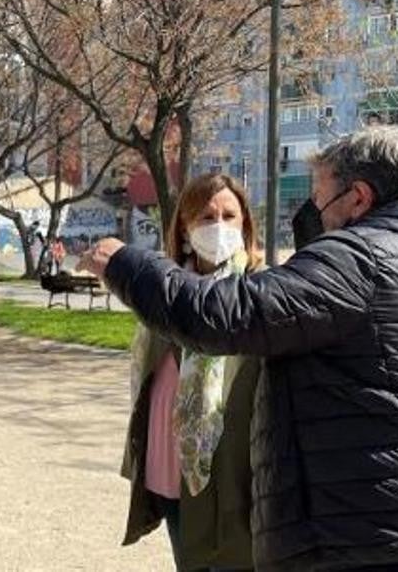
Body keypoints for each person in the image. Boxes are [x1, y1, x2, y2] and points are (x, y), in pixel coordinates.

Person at [79, 127, 398, 571]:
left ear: (358, 197)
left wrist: (127, 264)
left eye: (320, 197)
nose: (314, 212)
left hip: (387, 541)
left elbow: (225, 315)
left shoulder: (361, 258)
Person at [121, 173, 261, 572]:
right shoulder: (163, 290)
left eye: (229, 216)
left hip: (233, 477)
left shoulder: (258, 291)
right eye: (205, 217)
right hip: (169, 469)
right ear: (184, 226)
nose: (219, 227)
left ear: (245, 225)